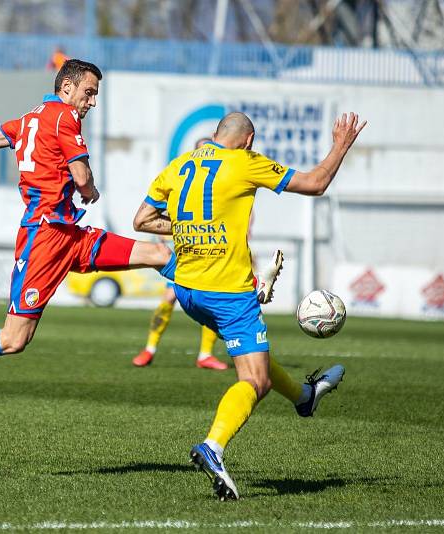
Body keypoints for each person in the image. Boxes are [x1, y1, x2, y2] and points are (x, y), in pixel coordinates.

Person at [0, 59, 178, 414]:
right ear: (67, 87)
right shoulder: (63, 116)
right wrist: (89, 188)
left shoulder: (28, 120)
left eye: (95, 95)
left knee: (160, 255)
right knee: (14, 339)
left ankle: (235, 292)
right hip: (43, 239)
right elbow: (82, 176)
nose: (91, 102)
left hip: (70, 235)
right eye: (88, 93)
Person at [132, 110, 366, 500]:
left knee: (254, 355)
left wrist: (193, 226)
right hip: (227, 293)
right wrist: (341, 144)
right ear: (248, 140)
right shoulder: (245, 162)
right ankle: (214, 446)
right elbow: (316, 183)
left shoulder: (179, 164)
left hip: (189, 288)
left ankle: (305, 399)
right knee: (254, 381)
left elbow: (142, 220)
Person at [132, 137, 282, 371]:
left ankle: (205, 354)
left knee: (213, 295)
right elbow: (153, 220)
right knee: (171, 299)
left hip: (208, 257)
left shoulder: (222, 184)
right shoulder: (183, 179)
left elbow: (245, 216)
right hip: (184, 255)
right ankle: (150, 348)